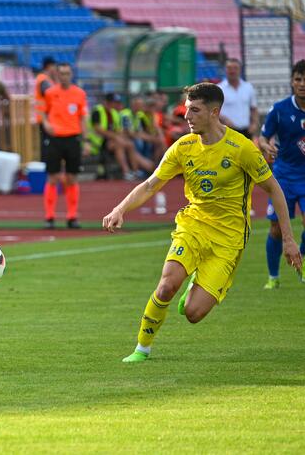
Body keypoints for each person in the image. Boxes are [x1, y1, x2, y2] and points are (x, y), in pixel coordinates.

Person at [102, 82, 302, 363]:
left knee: (193, 314)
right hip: (193, 225)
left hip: (229, 238)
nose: (187, 116)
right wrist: (120, 209)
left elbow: (274, 190)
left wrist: (289, 239)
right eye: (187, 109)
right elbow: (150, 185)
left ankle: (199, 278)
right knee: (166, 286)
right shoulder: (183, 147)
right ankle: (142, 348)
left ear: (214, 112)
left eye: (194, 110)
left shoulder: (241, 148)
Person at [258, 60, 305, 289]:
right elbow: (263, 137)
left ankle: (301, 257)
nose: (302, 84)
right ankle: (273, 277)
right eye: (298, 79)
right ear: (292, 81)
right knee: (276, 229)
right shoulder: (279, 109)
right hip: (284, 177)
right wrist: (266, 146)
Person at [40, 62, 87, 229]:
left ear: (71, 74)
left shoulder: (79, 93)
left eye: (67, 73)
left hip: (73, 138)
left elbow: (82, 117)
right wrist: (46, 124)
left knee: (72, 178)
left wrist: (86, 140)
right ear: (57, 75)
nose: (64, 76)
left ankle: (72, 216)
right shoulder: (50, 93)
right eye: (62, 74)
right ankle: (49, 216)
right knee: (53, 177)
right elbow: (43, 113)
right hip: (55, 138)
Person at [218, 58, 259, 140]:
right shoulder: (219, 88)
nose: (232, 71)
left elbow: (253, 108)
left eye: (235, 68)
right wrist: (223, 119)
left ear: (240, 70)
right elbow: (213, 110)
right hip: (227, 131)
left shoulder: (248, 87)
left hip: (246, 132)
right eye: (229, 68)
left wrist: (254, 124)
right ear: (225, 70)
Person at [35, 56, 58, 162]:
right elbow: (51, 95)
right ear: (49, 66)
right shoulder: (43, 79)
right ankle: (47, 171)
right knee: (47, 146)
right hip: (45, 119)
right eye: (54, 66)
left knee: (49, 146)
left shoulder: (47, 79)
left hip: (48, 118)